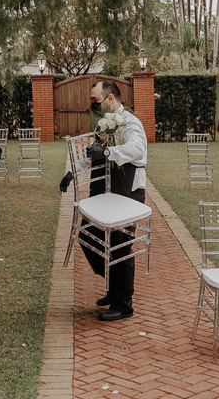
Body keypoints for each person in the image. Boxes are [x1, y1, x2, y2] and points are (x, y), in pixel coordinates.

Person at [80, 80, 148, 322]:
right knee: (87, 234)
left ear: (109, 99)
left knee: (120, 243)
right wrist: (73, 171)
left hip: (126, 189)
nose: (93, 106)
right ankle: (112, 284)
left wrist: (109, 152)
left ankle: (123, 303)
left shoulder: (130, 122)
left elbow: (137, 149)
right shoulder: (102, 124)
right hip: (103, 187)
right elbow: (93, 152)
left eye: (95, 101)